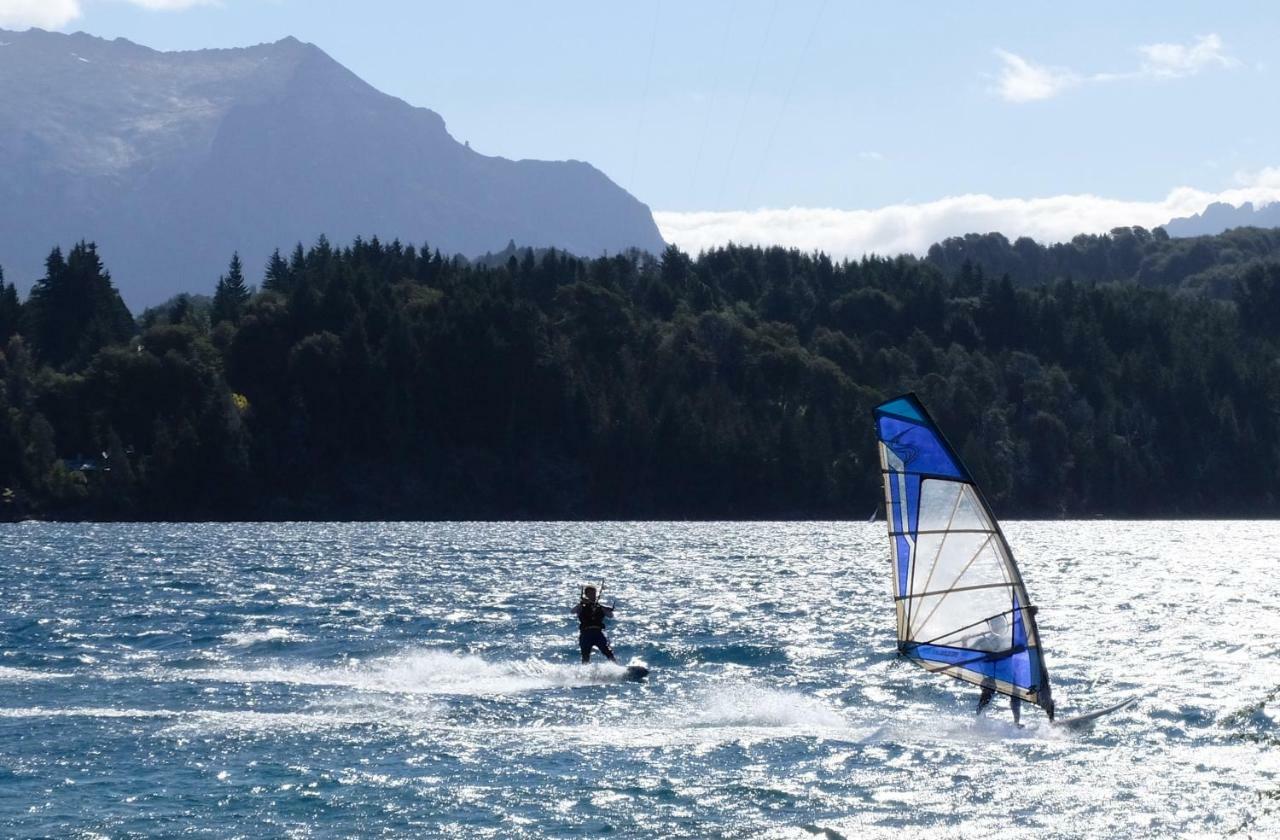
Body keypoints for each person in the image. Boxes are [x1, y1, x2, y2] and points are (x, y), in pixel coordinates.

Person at [573, 585, 616, 664]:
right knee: (585, 655)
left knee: (607, 651)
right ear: (586, 595)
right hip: (586, 633)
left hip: (598, 633)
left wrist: (601, 607)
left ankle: (616, 667)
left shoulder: (599, 606)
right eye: (591, 594)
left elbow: (611, 616)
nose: (593, 595)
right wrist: (581, 603)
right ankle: (585, 672)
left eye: (594, 593)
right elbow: (573, 611)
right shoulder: (582, 606)